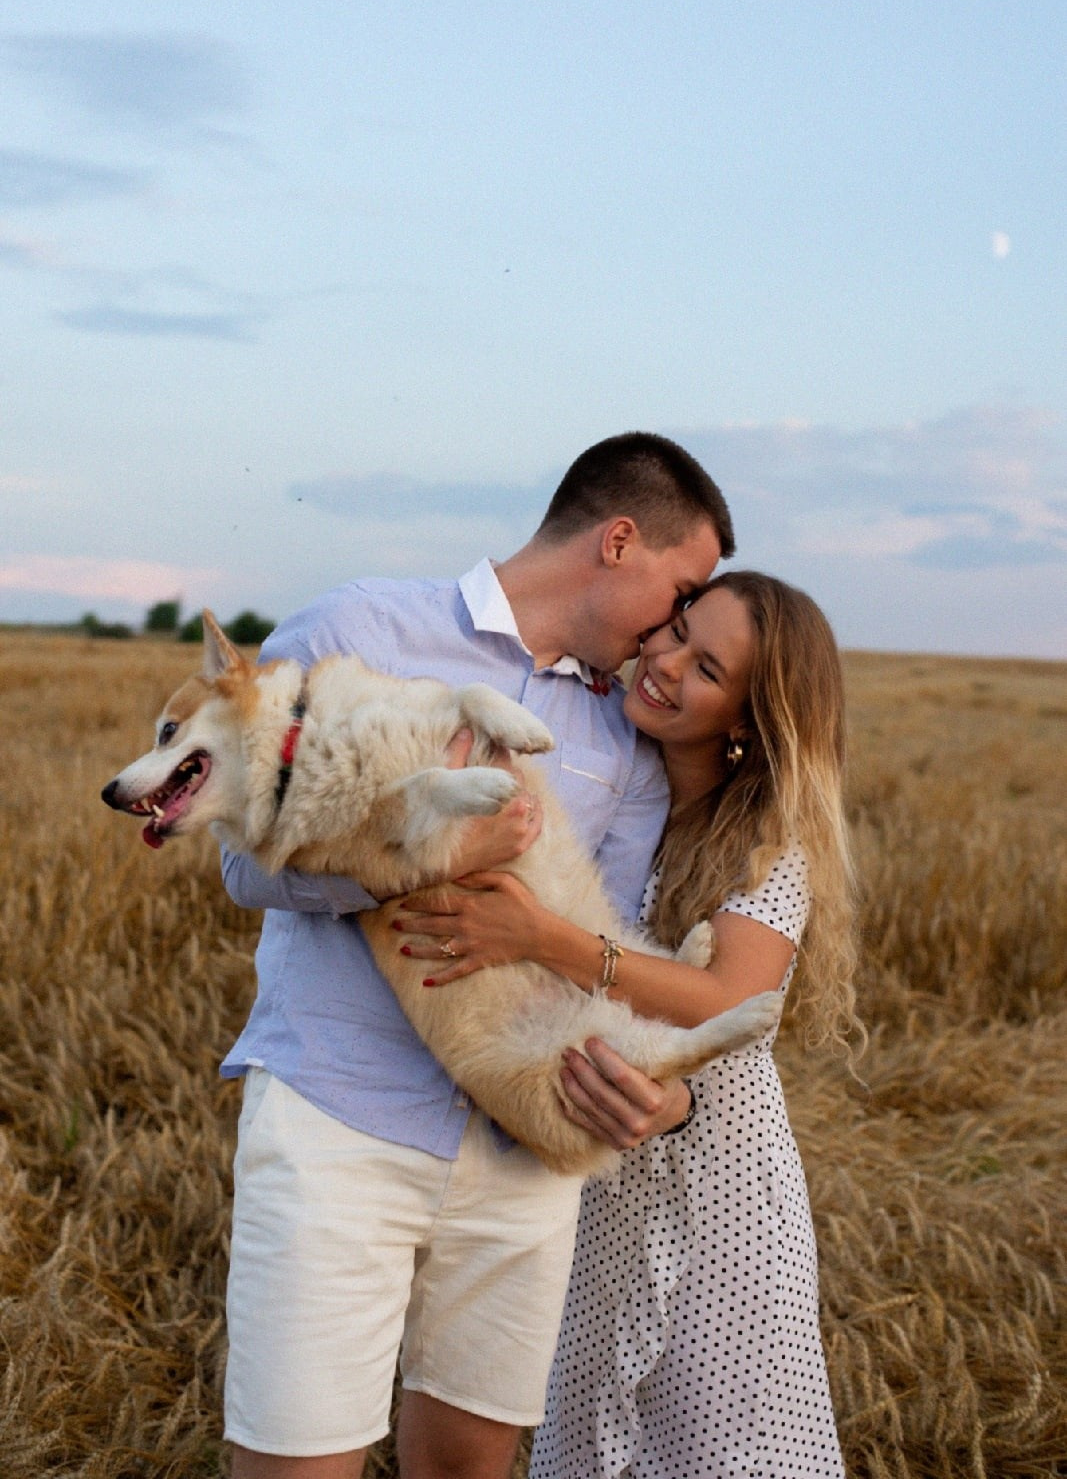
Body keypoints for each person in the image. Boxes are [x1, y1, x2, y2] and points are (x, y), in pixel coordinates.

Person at [218, 432, 732, 1479]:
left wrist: (661, 1093)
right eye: (679, 591)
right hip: (337, 1121)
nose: (670, 630)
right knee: (293, 1463)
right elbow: (246, 868)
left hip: (517, 1161)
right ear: (618, 540)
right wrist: (410, 864)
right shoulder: (359, 625)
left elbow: (609, 951)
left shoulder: (620, 737)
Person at [393, 571, 859, 1478]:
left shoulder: (765, 838)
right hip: (600, 1168)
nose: (667, 661)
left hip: (716, 1183)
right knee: (597, 1431)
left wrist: (545, 937)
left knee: (721, 1443)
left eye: (708, 666)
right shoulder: (613, 784)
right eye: (678, 628)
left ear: (746, 719)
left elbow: (733, 1003)